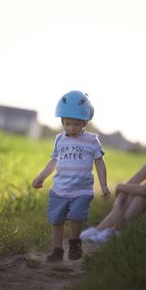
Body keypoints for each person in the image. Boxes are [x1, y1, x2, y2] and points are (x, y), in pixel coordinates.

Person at [32, 90, 110, 262]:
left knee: (77, 216)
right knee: (57, 221)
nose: (71, 128)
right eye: (67, 124)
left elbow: (99, 163)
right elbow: (53, 161)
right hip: (59, 189)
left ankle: (74, 241)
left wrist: (103, 185)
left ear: (86, 122)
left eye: (76, 124)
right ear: (62, 121)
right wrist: (41, 177)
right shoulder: (59, 139)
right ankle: (57, 250)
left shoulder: (91, 140)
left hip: (82, 190)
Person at [80, 124, 146, 243]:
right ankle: (100, 229)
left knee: (142, 191)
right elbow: (129, 185)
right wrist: (117, 206)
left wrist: (119, 186)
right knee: (135, 190)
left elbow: (145, 189)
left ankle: (117, 229)